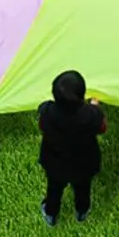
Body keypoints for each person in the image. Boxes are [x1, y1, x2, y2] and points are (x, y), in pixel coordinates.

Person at [38, 70, 106, 226]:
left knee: (54, 190)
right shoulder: (91, 115)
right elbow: (102, 128)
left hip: (55, 163)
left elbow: (42, 126)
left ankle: (50, 214)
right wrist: (95, 106)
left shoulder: (48, 112)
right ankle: (82, 211)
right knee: (83, 189)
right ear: (82, 96)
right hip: (84, 163)